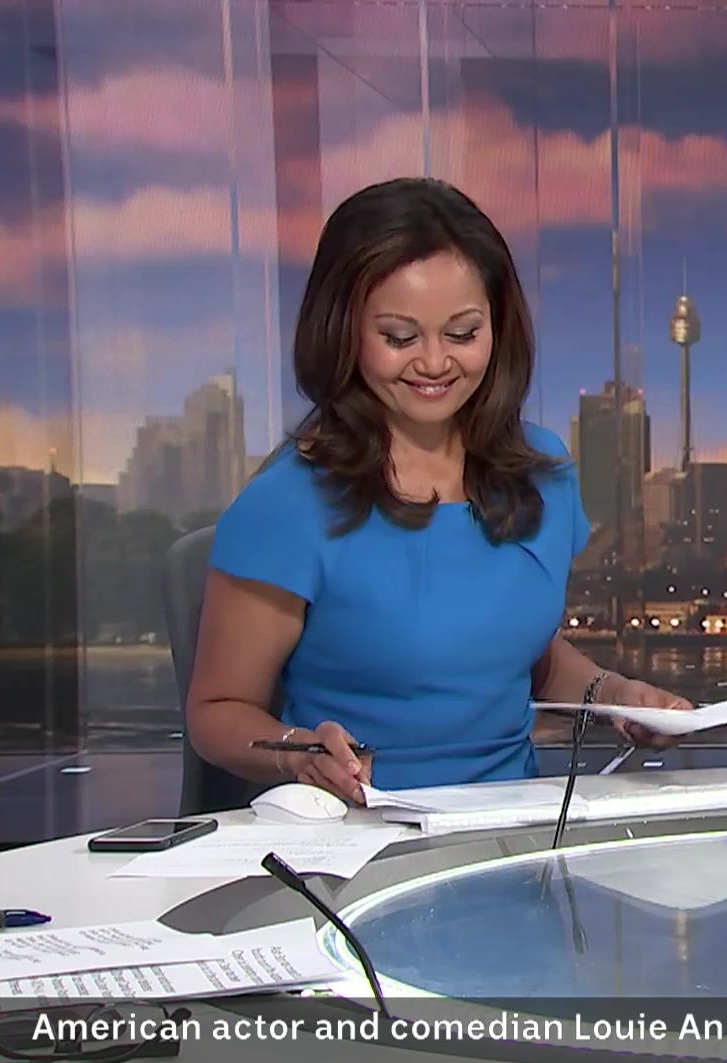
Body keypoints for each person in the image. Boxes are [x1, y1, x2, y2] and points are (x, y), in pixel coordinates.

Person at [188, 177, 688, 802]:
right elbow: (218, 710)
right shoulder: (288, 502)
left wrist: (614, 695)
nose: (432, 362)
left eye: (462, 334)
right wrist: (300, 753)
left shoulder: (542, 472)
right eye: (399, 338)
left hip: (513, 824)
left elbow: (525, 659)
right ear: (343, 330)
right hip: (357, 832)